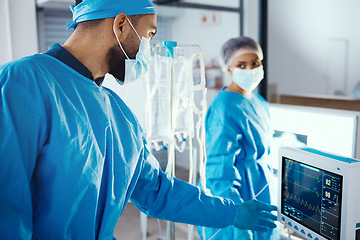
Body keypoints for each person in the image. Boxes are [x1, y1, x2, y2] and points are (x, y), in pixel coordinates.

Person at [0, 1, 277, 239]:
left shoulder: (118, 113)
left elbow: (157, 191)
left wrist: (232, 211)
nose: (149, 47)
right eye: (149, 34)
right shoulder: (23, 83)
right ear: (121, 25)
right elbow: (6, 208)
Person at [197, 36, 278, 240]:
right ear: (228, 68)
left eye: (255, 63)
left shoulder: (258, 100)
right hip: (235, 193)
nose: (250, 69)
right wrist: (235, 220)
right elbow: (219, 168)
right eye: (241, 64)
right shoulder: (225, 106)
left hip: (259, 187)